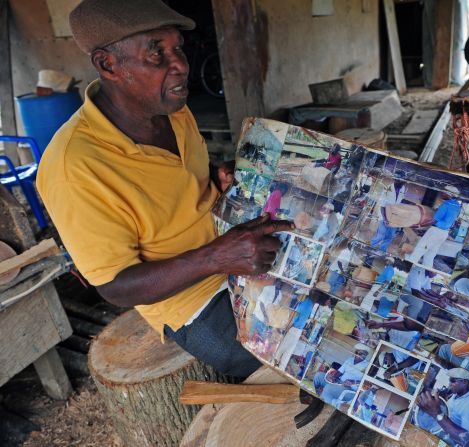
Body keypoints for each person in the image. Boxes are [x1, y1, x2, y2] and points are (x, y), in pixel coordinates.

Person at [35, 0, 293, 379]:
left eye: (178, 48)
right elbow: (116, 286)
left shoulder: (172, 109)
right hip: (195, 301)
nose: (181, 66)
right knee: (288, 363)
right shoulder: (73, 166)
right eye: (156, 52)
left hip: (233, 244)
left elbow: (177, 178)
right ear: (109, 65)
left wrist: (216, 177)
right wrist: (218, 257)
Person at [416, 368, 469, 446]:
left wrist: (437, 413)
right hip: (441, 427)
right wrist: (441, 395)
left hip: (449, 440)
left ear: (464, 382)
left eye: (453, 380)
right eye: (449, 380)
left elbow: (468, 440)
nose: (449, 384)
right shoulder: (458, 394)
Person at [406, 186, 461, 269]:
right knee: (430, 254)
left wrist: (419, 224)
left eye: (443, 192)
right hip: (444, 233)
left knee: (420, 249)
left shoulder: (446, 204)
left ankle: (408, 265)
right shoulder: (457, 206)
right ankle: (427, 269)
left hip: (435, 232)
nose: (441, 193)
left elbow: (435, 219)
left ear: (449, 194)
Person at [274, 295, 314, 371]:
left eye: (298, 296)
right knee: (288, 352)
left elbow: (294, 318)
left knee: (281, 350)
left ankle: (274, 365)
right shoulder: (310, 303)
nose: (297, 297)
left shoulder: (303, 304)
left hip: (294, 329)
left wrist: (285, 328)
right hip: (298, 331)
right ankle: (280, 369)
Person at [371, 180, 407, 253]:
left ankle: (381, 251)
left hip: (394, 218)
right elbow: (382, 206)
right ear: (396, 181)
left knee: (390, 237)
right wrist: (385, 219)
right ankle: (372, 248)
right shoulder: (388, 188)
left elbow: (400, 203)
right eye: (401, 183)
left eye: (403, 183)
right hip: (384, 216)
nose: (402, 184)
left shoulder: (403, 188)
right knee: (381, 235)